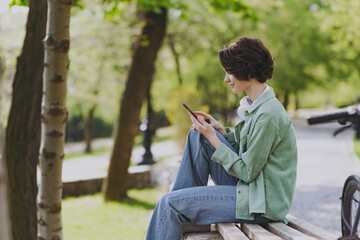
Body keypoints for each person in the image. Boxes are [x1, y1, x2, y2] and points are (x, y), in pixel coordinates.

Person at [145, 37, 297, 240]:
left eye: (230, 71)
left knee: (169, 203)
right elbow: (249, 149)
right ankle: (183, 210)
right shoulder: (257, 106)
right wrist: (218, 131)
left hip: (260, 202)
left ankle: (180, 208)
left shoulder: (268, 115)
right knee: (198, 136)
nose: (226, 79)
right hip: (249, 191)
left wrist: (214, 138)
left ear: (248, 71)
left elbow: (247, 171)